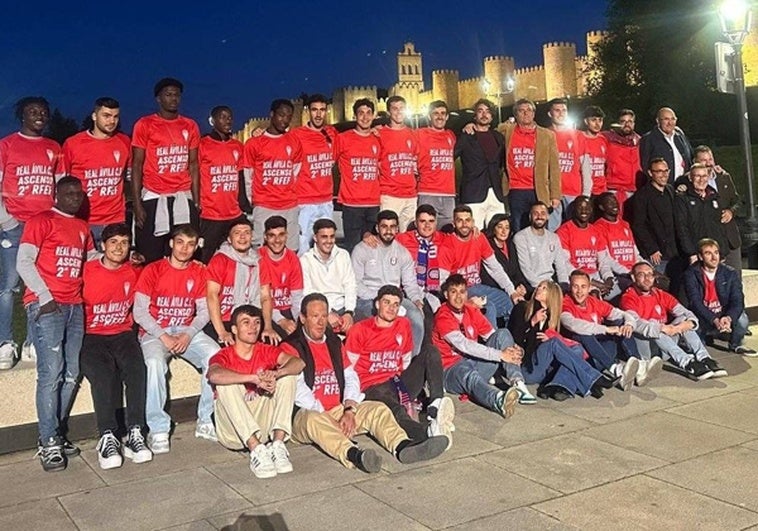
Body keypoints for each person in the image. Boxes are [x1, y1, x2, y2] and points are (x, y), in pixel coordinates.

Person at [287, 293, 448, 473]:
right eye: (315, 316)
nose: (320, 322)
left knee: (377, 409)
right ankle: (354, 455)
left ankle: (403, 446)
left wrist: (349, 410)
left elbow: (350, 376)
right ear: (302, 318)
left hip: (338, 409)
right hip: (308, 414)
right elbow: (299, 391)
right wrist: (327, 418)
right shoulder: (291, 346)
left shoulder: (333, 343)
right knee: (313, 420)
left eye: (324, 316)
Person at [17, 177, 96, 471]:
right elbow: (23, 262)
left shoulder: (82, 228)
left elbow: (89, 261)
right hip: (47, 305)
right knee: (51, 373)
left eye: (79, 194)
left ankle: (57, 433)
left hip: (75, 305)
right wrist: (44, 296)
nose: (75, 198)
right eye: (69, 193)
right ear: (56, 195)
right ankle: (48, 439)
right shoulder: (41, 220)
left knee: (72, 372)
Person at [133, 224, 219, 454]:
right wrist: (163, 336)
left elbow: (204, 311)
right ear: (171, 243)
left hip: (185, 328)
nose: (184, 248)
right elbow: (139, 311)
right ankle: (158, 428)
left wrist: (188, 334)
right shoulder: (153, 270)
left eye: (190, 244)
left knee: (215, 356)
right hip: (155, 331)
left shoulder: (200, 271)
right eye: (180, 242)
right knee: (154, 363)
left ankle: (206, 419)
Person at [80, 223, 152, 470]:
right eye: (113, 242)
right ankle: (107, 436)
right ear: (102, 245)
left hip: (121, 333)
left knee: (136, 369)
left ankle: (135, 432)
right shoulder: (86, 271)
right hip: (92, 335)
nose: (119, 247)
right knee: (102, 375)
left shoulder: (134, 271)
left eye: (124, 242)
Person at [346, 285, 454, 447]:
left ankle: (436, 407)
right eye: (387, 303)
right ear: (377, 304)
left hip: (396, 381)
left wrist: (406, 379)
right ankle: (425, 434)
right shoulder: (360, 329)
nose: (391, 308)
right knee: (396, 410)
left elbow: (405, 359)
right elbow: (348, 368)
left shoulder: (403, 324)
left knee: (430, 351)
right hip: (372, 386)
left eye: (396, 304)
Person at [0, 96, 63, 369]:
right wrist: (7, 221)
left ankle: (30, 342)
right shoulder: (7, 145)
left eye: (43, 111)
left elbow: (60, 188)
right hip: (14, 226)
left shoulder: (53, 147)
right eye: (32, 111)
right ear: (21, 116)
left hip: (43, 227)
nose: (39, 114)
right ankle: (5, 342)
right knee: (8, 286)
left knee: (36, 286)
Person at [207, 304, 304, 479]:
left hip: (261, 424)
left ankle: (277, 445)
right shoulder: (224, 354)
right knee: (226, 383)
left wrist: (276, 373)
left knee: (288, 376)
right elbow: (214, 374)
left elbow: (298, 363)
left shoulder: (265, 350)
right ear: (235, 329)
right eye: (246, 322)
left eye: (257, 322)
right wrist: (253, 378)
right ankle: (256, 450)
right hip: (233, 431)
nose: (253, 327)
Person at [433, 274, 535, 414]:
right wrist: (500, 355)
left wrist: (512, 349)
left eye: (462, 292)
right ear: (446, 294)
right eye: (453, 292)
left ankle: (518, 383)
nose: (458, 297)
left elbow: (493, 335)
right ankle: (498, 400)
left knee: (503, 333)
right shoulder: (443, 316)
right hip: (451, 371)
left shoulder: (470, 310)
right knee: (468, 374)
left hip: (473, 363)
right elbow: (465, 345)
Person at [507, 280, 615, 401]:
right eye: (539, 287)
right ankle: (594, 379)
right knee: (553, 343)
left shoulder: (550, 319)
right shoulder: (522, 308)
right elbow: (513, 338)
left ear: (552, 295)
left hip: (544, 369)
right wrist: (532, 322)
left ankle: (557, 386)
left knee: (577, 349)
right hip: (526, 368)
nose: (538, 289)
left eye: (544, 288)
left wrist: (547, 340)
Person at [131, 78, 201, 263]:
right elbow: (137, 164)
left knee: (183, 254)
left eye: (177, 95)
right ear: (158, 99)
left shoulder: (190, 125)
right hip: (154, 197)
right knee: (150, 255)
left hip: (181, 197)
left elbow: (193, 164)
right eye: (168, 94)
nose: (173, 99)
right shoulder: (144, 124)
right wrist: (137, 204)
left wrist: (196, 200)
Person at [620, 262, 725, 380]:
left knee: (684, 319)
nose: (647, 278)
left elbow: (687, 313)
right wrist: (661, 328)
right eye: (642, 275)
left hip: (665, 345)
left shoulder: (659, 294)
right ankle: (688, 363)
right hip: (645, 347)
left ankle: (704, 358)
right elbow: (635, 324)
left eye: (650, 274)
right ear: (634, 277)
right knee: (655, 325)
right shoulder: (628, 298)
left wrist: (683, 326)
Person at [561, 270, 662, 389]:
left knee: (620, 324)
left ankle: (639, 367)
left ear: (589, 288)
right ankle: (616, 370)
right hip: (579, 352)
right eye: (575, 287)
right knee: (583, 334)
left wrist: (629, 324)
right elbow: (572, 324)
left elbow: (622, 314)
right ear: (570, 287)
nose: (579, 291)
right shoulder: (565, 303)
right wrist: (606, 329)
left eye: (583, 287)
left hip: (599, 351)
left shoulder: (593, 301)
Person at [352, 210, 424, 353]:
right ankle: (383, 360)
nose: (388, 231)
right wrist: (378, 298)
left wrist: (416, 300)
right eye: (384, 226)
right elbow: (355, 283)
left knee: (416, 316)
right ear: (377, 228)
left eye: (392, 227)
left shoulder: (402, 252)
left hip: (395, 297)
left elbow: (410, 282)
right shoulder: (362, 249)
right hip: (368, 298)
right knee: (379, 320)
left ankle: (410, 359)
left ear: (397, 229)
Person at [439, 205, 523, 328]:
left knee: (507, 301)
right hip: (460, 290)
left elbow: (495, 268)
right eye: (459, 220)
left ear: (473, 222)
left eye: (467, 220)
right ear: (453, 223)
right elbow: (442, 282)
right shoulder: (447, 246)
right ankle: (492, 343)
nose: (464, 224)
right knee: (489, 308)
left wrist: (512, 291)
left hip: (478, 286)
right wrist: (461, 300)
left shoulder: (479, 238)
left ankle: (507, 340)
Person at [62, 97, 131, 245]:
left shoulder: (124, 141)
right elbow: (62, 181)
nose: (111, 121)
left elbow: (130, 174)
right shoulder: (73, 143)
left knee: (113, 266)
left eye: (115, 116)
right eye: (106, 116)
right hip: (84, 218)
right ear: (94, 116)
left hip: (115, 219)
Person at [206, 219, 277, 346]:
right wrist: (222, 332)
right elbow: (212, 296)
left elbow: (265, 297)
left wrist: (267, 326)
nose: (242, 237)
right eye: (237, 233)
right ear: (229, 239)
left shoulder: (259, 261)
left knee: (274, 342)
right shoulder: (220, 260)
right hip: (225, 318)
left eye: (247, 232)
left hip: (253, 317)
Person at [243, 99, 302, 250]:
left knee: (291, 248)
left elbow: (295, 172)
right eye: (281, 115)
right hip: (264, 205)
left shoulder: (294, 142)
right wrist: (254, 200)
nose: (285, 120)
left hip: (289, 204)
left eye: (289, 116)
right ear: (272, 114)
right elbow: (248, 175)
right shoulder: (254, 143)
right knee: (260, 249)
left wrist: (288, 192)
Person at [683, 239, 755, 356]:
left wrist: (729, 317)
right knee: (694, 349)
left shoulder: (730, 273)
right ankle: (707, 337)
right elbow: (695, 302)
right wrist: (714, 319)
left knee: (742, 319)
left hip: (723, 314)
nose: (714, 257)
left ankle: (735, 345)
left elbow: (738, 300)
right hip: (703, 316)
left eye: (716, 252)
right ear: (700, 257)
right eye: (708, 253)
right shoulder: (691, 274)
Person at [499, 98, 561, 231]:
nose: (526, 113)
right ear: (516, 114)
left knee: (540, 228)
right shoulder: (507, 131)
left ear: (534, 113)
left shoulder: (547, 135)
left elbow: (554, 167)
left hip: (538, 189)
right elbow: (488, 129)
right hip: (516, 190)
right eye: (521, 111)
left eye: (529, 110)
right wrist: (470, 125)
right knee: (518, 228)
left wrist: (555, 195)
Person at [289, 94, 337, 254]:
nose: (318, 114)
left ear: (326, 111)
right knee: (303, 247)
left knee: (326, 247)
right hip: (305, 202)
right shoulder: (296, 135)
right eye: (314, 110)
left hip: (326, 201)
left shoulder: (332, 133)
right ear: (308, 111)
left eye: (322, 110)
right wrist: (258, 133)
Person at [198, 105, 246, 263]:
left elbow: (240, 178)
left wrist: (243, 205)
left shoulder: (238, 146)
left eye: (230, 117)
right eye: (223, 117)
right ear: (213, 120)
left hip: (234, 214)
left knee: (236, 259)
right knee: (206, 258)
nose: (228, 120)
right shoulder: (202, 145)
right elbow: (194, 176)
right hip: (211, 214)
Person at [683, 146, 743, 273]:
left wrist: (731, 211)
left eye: (710, 159)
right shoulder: (688, 182)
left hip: (729, 238)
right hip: (708, 240)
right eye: (704, 160)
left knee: (734, 277)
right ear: (695, 162)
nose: (709, 163)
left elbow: (737, 200)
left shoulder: (724, 176)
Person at [335, 98, 381, 252]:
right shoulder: (343, 138)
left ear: (374, 116)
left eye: (369, 113)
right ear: (355, 116)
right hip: (351, 205)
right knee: (354, 250)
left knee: (373, 249)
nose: (365, 117)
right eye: (361, 113)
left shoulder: (378, 139)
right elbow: (327, 160)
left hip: (374, 204)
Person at [556, 196, 622, 300]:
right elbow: (565, 265)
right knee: (593, 297)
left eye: (587, 208)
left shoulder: (596, 231)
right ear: (574, 209)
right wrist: (592, 282)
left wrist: (608, 279)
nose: (584, 211)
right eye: (580, 207)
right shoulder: (564, 231)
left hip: (596, 276)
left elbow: (603, 261)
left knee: (618, 295)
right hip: (576, 279)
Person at [454, 99, 506, 228]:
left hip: (496, 194)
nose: (484, 115)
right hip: (473, 193)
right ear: (475, 115)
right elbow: (451, 158)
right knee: (474, 234)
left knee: (498, 235)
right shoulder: (466, 136)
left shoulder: (498, 137)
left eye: (488, 111)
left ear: (492, 115)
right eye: (480, 111)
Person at [300, 218, 357, 334]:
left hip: (343, 307)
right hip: (320, 309)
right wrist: (327, 313)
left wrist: (349, 312)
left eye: (332, 236)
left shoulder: (343, 255)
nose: (329, 241)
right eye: (324, 237)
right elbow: (307, 291)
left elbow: (350, 285)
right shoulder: (305, 259)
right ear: (315, 238)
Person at [631, 158, 682, 281]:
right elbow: (638, 225)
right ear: (650, 173)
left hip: (675, 252)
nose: (663, 175)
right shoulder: (641, 196)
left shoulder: (671, 190)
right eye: (659, 171)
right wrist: (652, 249)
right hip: (657, 254)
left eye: (666, 171)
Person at [675, 163, 730, 266]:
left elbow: (720, 226)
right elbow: (682, 228)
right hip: (696, 254)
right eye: (697, 176)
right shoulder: (683, 199)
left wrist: (722, 251)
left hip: (716, 254)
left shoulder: (714, 197)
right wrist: (691, 253)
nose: (701, 180)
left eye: (704, 176)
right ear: (691, 178)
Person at [258, 216, 304, 337]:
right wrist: (281, 320)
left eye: (281, 235)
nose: (277, 240)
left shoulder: (293, 258)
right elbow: (260, 299)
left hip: (287, 309)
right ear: (265, 237)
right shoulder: (257, 258)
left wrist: (299, 323)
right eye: (272, 235)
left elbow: (297, 297)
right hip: (265, 311)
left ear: (287, 235)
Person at [377, 96, 419, 231]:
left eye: (401, 108)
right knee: (388, 236)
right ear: (388, 112)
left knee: (408, 238)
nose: (399, 112)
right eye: (395, 108)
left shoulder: (412, 134)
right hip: (390, 195)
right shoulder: (379, 134)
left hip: (410, 195)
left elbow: (416, 161)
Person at [547, 98, 589, 226]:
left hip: (574, 192)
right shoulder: (545, 134)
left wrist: (586, 194)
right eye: (557, 110)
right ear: (550, 113)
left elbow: (585, 166)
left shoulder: (578, 136)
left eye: (564, 110)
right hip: (553, 193)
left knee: (575, 227)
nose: (561, 113)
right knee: (553, 230)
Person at [512, 202, 571, 290]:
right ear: (530, 217)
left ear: (547, 216)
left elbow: (560, 265)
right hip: (532, 285)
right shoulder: (521, 237)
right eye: (536, 213)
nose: (539, 216)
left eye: (543, 213)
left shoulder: (554, 237)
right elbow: (526, 269)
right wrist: (542, 287)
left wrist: (564, 284)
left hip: (551, 284)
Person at [416, 100, 456, 228]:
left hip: (448, 194)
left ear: (447, 117)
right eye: (436, 113)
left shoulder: (451, 135)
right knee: (426, 232)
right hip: (428, 192)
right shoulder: (419, 134)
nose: (440, 116)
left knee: (448, 233)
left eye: (443, 113)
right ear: (429, 116)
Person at [593, 192, 642, 282]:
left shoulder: (625, 224)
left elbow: (635, 254)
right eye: (610, 202)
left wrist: (646, 268)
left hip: (636, 272)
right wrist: (629, 273)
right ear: (602, 207)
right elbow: (605, 259)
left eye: (615, 200)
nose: (615, 204)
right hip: (618, 274)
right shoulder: (598, 227)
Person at [601, 109, 642, 218]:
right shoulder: (606, 138)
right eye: (623, 121)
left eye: (630, 121)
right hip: (614, 189)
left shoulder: (639, 141)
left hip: (633, 190)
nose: (627, 124)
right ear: (617, 123)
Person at [481, 214, 531, 298]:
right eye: (500, 227)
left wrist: (520, 285)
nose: (504, 231)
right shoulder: (487, 246)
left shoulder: (510, 244)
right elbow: (489, 277)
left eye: (507, 228)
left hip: (515, 286)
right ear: (493, 229)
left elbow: (517, 270)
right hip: (498, 288)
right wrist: (514, 288)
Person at [639, 107, 693, 184]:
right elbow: (644, 165)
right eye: (666, 119)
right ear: (658, 121)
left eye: (673, 119)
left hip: (682, 187)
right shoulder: (648, 139)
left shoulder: (680, 136)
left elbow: (690, 158)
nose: (670, 123)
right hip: (662, 189)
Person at [579, 105, 608, 199]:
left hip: (601, 190)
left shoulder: (603, 140)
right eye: (594, 120)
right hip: (585, 190)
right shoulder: (579, 138)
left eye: (600, 120)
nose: (597, 124)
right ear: (586, 121)